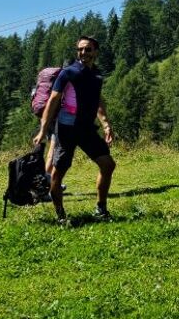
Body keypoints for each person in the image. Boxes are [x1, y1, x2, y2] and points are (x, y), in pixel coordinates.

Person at [32, 36, 116, 224]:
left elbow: (98, 101)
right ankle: (61, 215)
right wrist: (43, 129)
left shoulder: (97, 75)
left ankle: (101, 209)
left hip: (86, 128)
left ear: (96, 52)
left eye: (88, 49)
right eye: (80, 49)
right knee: (58, 172)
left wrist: (106, 124)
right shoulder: (68, 73)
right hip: (67, 127)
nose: (83, 53)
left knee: (108, 164)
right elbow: (53, 101)